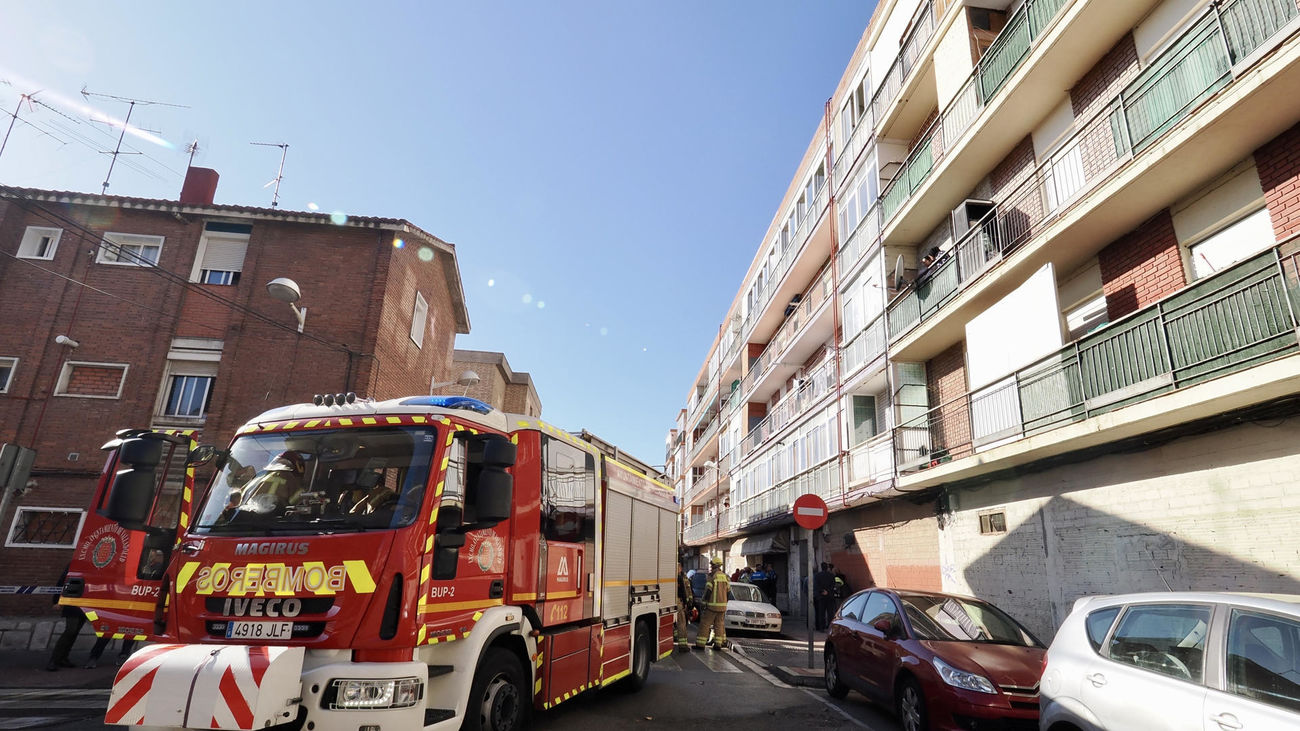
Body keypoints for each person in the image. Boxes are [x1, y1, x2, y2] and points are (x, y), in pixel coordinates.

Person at [46, 566, 84, 671]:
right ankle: (54, 660)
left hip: (86, 603)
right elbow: (62, 582)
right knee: (70, 630)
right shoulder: (74, 564)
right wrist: (57, 601)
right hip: (72, 602)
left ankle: (63, 657)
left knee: (75, 631)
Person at [694, 557, 730, 651]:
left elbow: (708, 591)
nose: (711, 567)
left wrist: (704, 602)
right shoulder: (725, 576)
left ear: (715, 566)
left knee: (705, 624)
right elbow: (729, 592)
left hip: (712, 606)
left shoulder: (712, 576)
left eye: (712, 565)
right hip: (722, 607)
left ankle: (700, 645)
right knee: (719, 625)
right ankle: (718, 644)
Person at [674, 564, 694, 649]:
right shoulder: (679, 578)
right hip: (678, 602)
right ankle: (683, 645)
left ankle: (675, 636)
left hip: (668, 602)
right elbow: (683, 591)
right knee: (681, 623)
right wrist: (686, 603)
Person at [813, 562, 835, 631]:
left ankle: (821, 628)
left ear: (821, 567)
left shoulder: (817, 575)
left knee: (821, 613)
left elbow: (816, 586)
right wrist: (828, 591)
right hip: (829, 596)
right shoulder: (831, 575)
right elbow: (833, 585)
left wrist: (822, 591)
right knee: (830, 613)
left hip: (821, 597)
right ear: (827, 567)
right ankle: (829, 627)